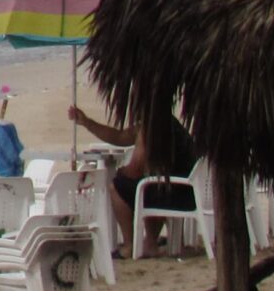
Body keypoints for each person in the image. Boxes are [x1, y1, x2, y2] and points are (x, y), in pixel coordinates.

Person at [67, 96, 197, 256]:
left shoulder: (151, 128)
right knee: (146, 185)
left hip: (172, 195)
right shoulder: (170, 125)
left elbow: (134, 169)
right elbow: (120, 136)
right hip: (188, 195)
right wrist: (87, 122)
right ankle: (150, 242)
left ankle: (129, 245)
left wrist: (120, 172)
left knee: (118, 186)